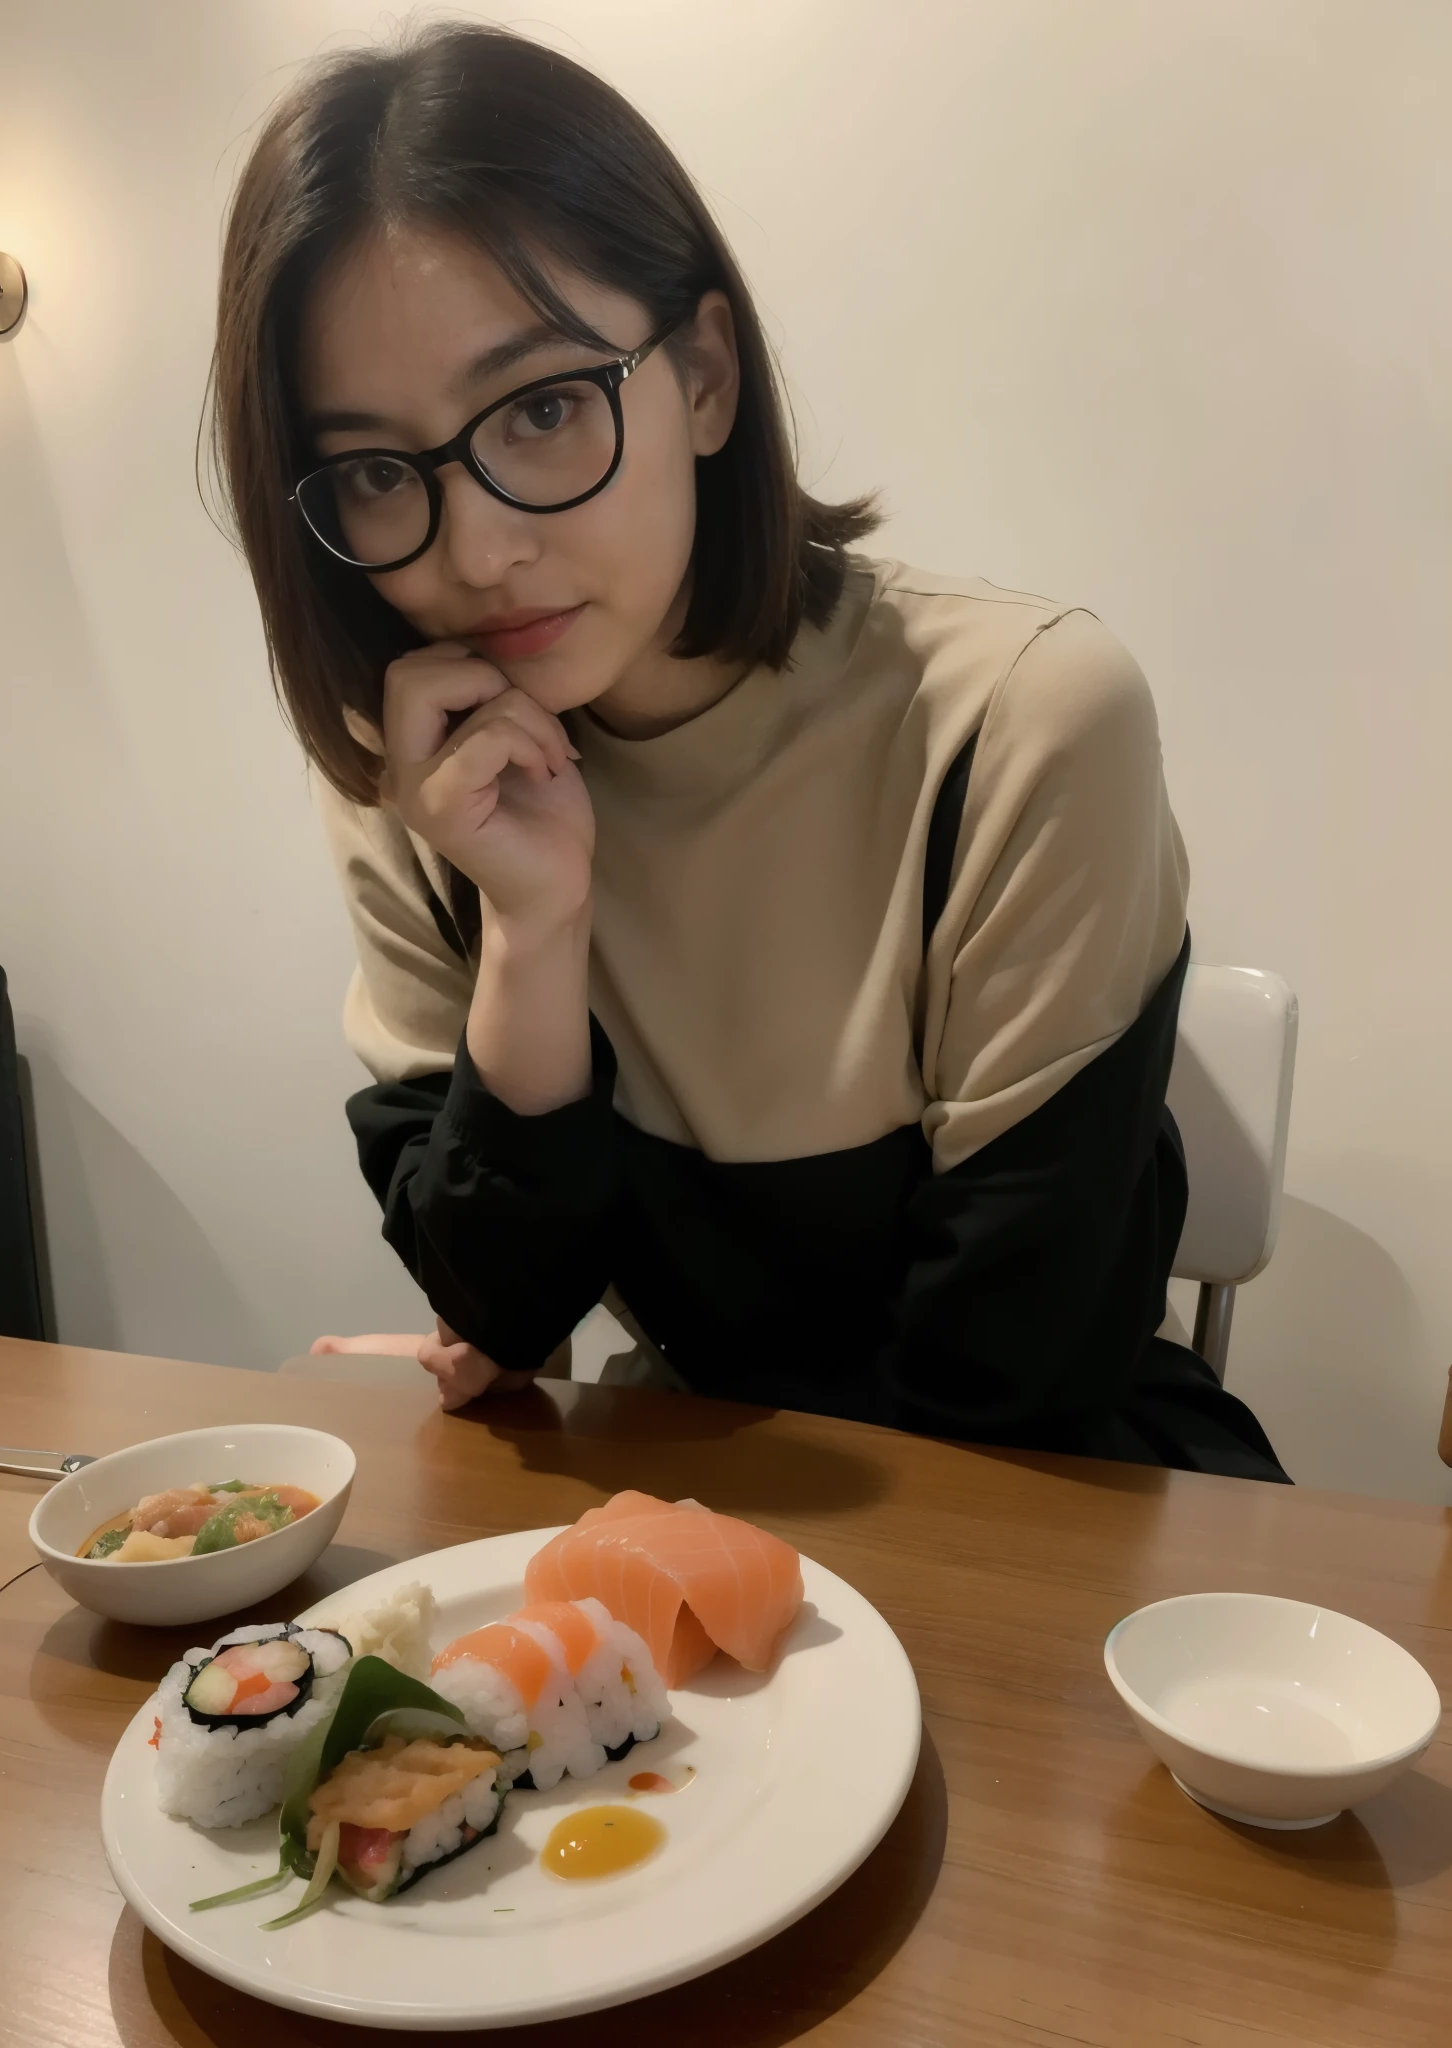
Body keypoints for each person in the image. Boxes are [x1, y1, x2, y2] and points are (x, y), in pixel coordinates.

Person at [210, 21, 1285, 1480]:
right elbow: (504, 1309)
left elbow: (1013, 1381)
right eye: (381, 471)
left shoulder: (1021, 721)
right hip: (703, 1485)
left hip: (1052, 1507)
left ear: (704, 375)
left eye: (539, 409)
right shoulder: (429, 777)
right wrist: (537, 928)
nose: (476, 549)